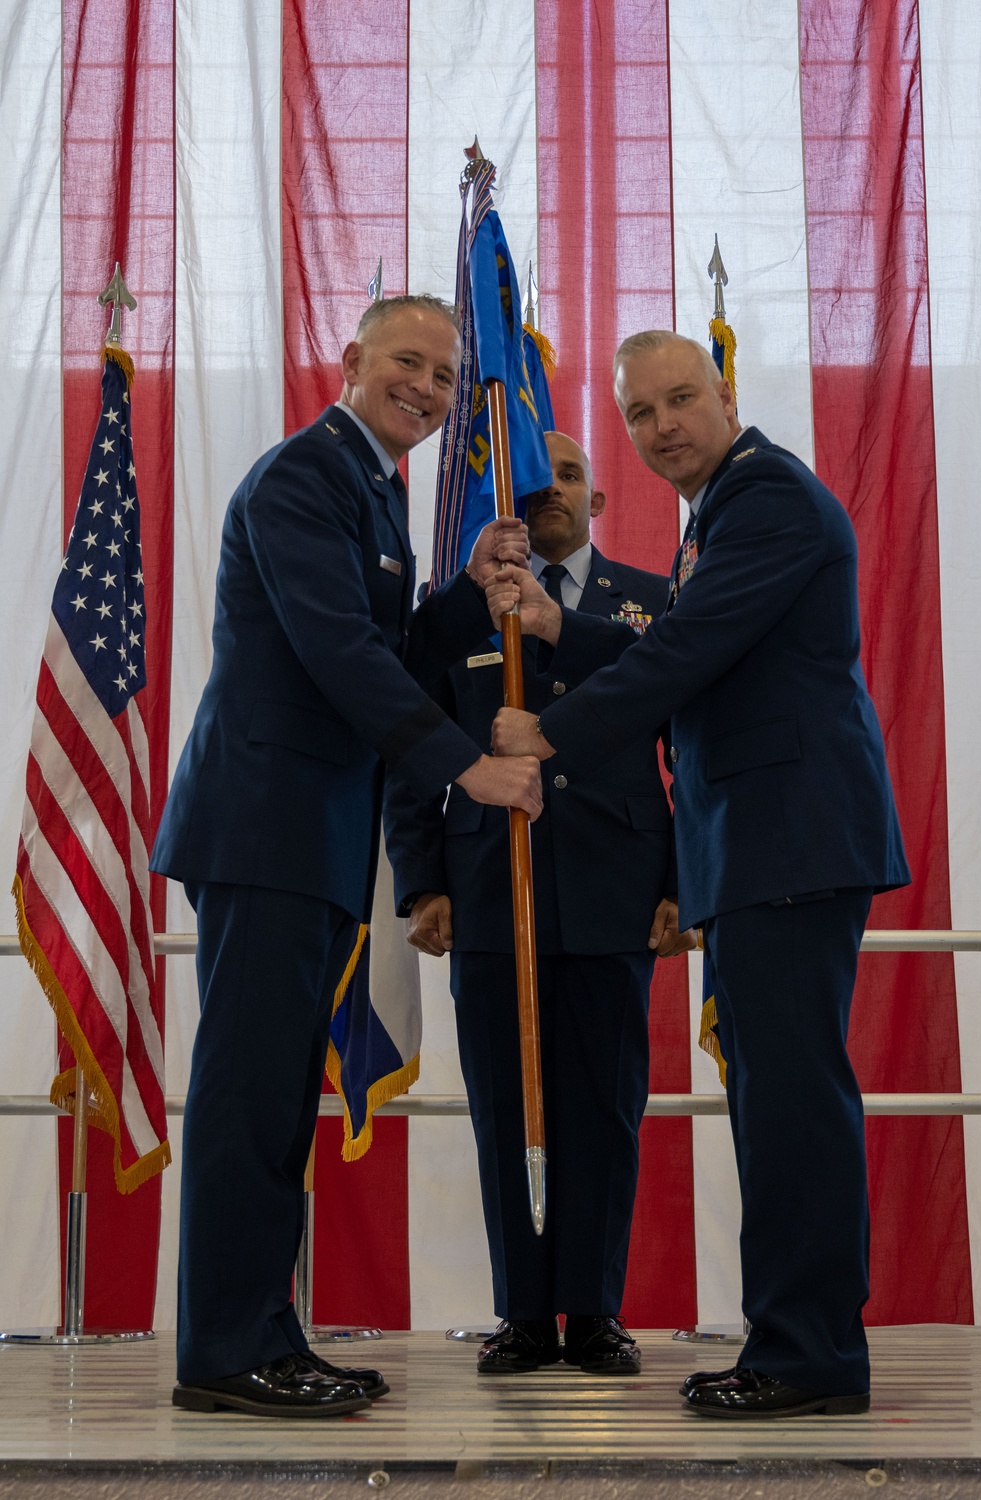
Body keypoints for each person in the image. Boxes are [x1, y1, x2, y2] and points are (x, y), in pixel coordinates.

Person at [490, 332, 910, 1419]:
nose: (662, 424)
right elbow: (677, 641)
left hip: (789, 834)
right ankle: (794, 1340)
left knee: (790, 1107)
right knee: (773, 1102)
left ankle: (807, 1355)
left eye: (682, 399)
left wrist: (546, 733)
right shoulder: (720, 511)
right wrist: (561, 630)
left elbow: (687, 654)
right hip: (760, 839)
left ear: (726, 398)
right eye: (640, 412)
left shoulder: (765, 497)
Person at [151, 295, 543, 1419]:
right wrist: (464, 766)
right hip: (265, 824)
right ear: (350, 361)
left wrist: (461, 586)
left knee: (279, 1099)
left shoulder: (373, 483)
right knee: (247, 1097)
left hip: (314, 832)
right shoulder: (302, 477)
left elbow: (381, 642)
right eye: (403, 363)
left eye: (439, 374)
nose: (422, 387)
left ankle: (263, 1332)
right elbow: (333, 652)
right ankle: (225, 1350)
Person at [384, 430, 693, 1378]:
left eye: (568, 476)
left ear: (598, 500)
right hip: (488, 884)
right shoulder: (463, 610)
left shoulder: (651, 603)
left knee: (603, 1106)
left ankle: (594, 1313)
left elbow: (691, 743)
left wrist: (683, 882)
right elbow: (411, 735)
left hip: (617, 884)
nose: (548, 490)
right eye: (531, 478)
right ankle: (522, 1313)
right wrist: (423, 876)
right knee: (503, 1107)